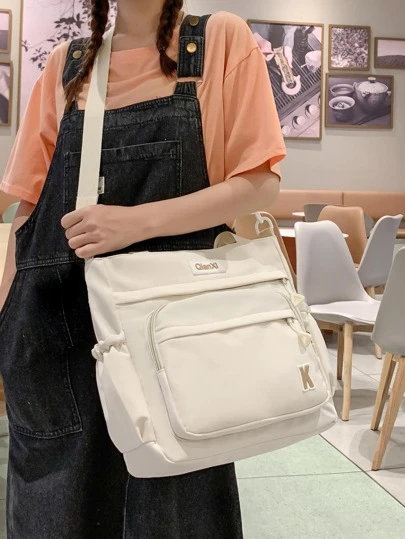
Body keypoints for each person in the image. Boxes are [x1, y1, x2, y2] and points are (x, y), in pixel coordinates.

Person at [0, 0, 285, 536]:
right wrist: (5, 323)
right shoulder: (68, 64)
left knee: (176, 512)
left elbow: (259, 183)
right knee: (57, 516)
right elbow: (27, 211)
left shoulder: (220, 40)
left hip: (175, 345)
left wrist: (133, 224)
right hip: (60, 343)